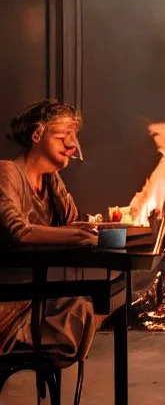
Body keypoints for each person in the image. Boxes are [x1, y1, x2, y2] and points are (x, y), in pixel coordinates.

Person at [0, 99, 99, 368]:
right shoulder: (6, 171)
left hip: (35, 294)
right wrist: (77, 236)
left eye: (74, 136)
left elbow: (73, 222)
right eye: (63, 136)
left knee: (88, 304)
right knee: (78, 308)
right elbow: (19, 232)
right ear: (37, 134)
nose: (72, 144)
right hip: (8, 301)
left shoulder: (50, 178)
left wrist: (81, 230)